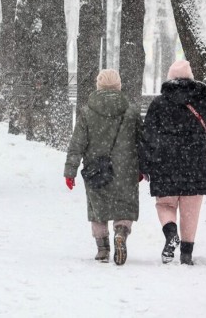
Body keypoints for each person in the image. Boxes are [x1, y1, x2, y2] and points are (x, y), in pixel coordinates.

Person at [140, 60, 206, 265]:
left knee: (165, 204)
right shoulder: (203, 102)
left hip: (164, 162)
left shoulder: (159, 103)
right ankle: (186, 254)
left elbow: (147, 136)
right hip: (197, 163)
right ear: (191, 78)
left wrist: (144, 164)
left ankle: (170, 232)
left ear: (170, 78)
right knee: (191, 210)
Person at [64, 69, 143, 265]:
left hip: (96, 168)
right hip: (126, 167)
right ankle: (121, 232)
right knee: (124, 205)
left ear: (98, 85)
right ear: (119, 85)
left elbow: (77, 143)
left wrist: (70, 171)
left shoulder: (87, 111)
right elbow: (142, 142)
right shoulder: (131, 111)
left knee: (97, 207)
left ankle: (102, 249)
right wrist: (143, 167)